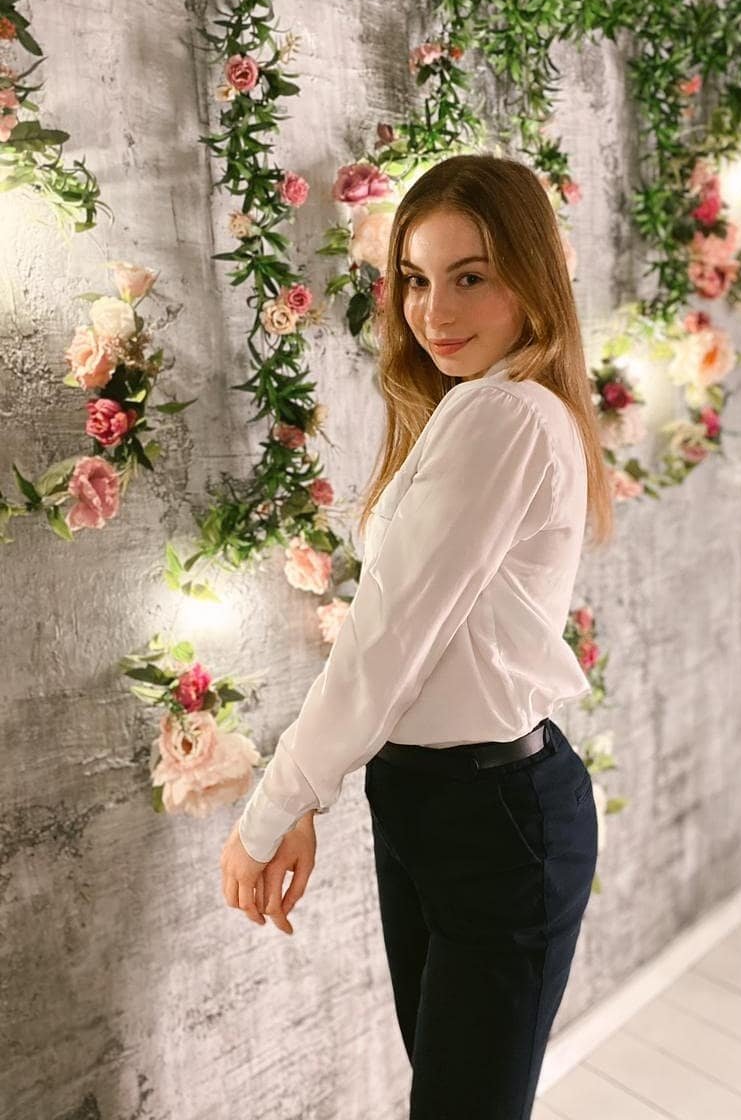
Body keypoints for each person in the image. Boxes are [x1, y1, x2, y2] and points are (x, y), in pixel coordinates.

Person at [220, 152, 616, 1118]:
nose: (435, 311)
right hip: (435, 801)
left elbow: (384, 643)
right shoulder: (474, 407)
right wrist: (316, 793)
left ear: (531, 277)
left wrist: (273, 808)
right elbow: (402, 650)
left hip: (494, 817)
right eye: (415, 278)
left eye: (470, 277)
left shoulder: (506, 414)